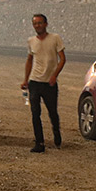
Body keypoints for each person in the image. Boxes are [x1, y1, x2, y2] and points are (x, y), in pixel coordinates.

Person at [20, 13, 66, 153]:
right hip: (35, 82)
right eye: (35, 24)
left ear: (45, 24)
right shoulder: (31, 41)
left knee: (52, 112)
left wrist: (54, 76)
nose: (37, 26)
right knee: (35, 113)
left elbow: (62, 59)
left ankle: (56, 133)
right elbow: (29, 60)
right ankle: (39, 142)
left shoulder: (55, 38)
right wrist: (26, 80)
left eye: (40, 23)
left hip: (49, 83)